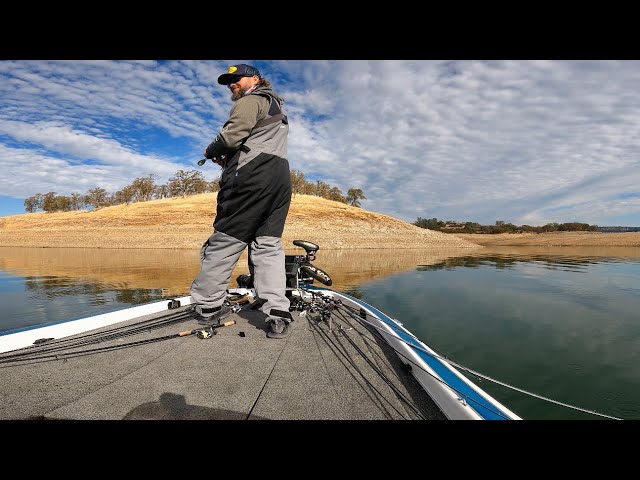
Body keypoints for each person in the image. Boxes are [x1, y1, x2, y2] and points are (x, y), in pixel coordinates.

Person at [190, 63, 293, 339]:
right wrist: (231, 157)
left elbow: (231, 135)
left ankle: (207, 307)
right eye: (229, 82)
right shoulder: (277, 107)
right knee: (268, 245)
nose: (232, 84)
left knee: (224, 240)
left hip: (251, 180)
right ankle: (278, 315)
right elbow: (254, 142)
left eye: (237, 79)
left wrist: (211, 150)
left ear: (255, 79)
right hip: (279, 180)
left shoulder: (253, 100)